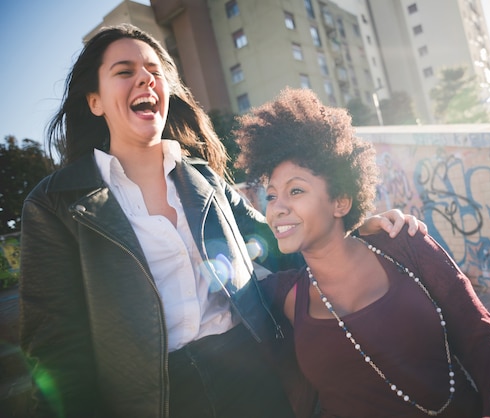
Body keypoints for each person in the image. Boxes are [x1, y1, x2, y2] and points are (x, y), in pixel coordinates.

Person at [18, 25, 423, 418]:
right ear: (95, 101)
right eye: (125, 72)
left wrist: (351, 229)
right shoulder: (56, 204)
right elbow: (57, 347)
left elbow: (278, 241)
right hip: (153, 399)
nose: (145, 78)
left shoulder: (204, 180)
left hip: (252, 371)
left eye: (154, 71)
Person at [234, 88, 490, 418]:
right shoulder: (280, 295)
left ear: (340, 201)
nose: (277, 209)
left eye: (295, 190)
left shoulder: (404, 244)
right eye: (271, 196)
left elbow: (483, 338)